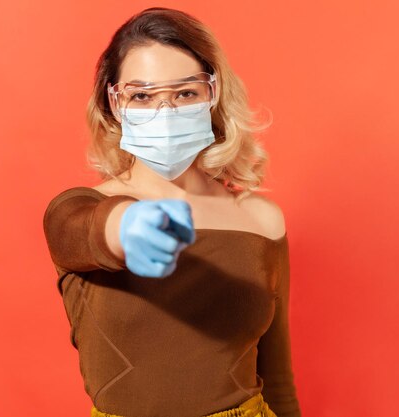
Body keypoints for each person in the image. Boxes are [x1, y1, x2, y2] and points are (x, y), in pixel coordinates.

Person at [43, 7, 301, 417]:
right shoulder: (80, 209)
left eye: (185, 93)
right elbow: (80, 226)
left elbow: (278, 376)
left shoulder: (262, 220)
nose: (165, 112)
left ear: (212, 94)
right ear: (113, 102)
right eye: (141, 95)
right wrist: (127, 227)